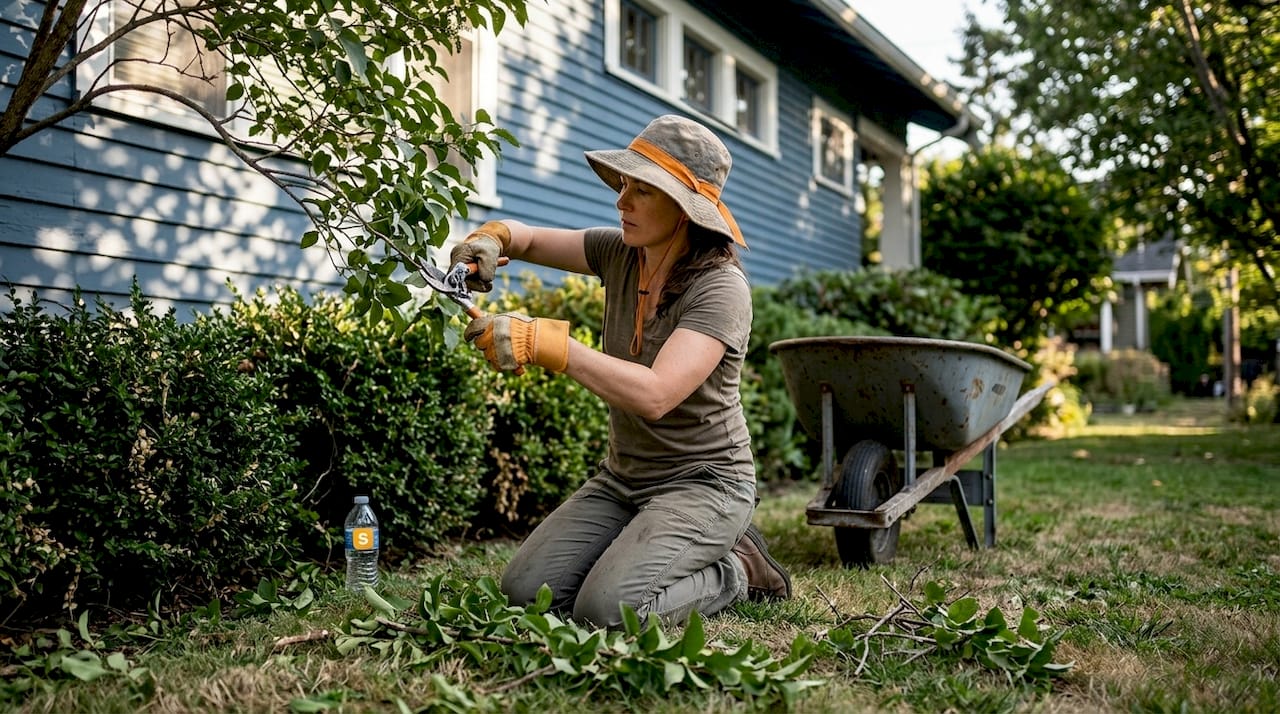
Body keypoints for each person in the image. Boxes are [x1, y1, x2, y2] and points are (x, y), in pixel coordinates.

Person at [449, 114, 791, 629]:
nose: (622, 200)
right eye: (624, 184)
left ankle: (738, 569)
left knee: (608, 611)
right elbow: (528, 239)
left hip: (705, 485)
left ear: (683, 208)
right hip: (623, 479)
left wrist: (546, 343)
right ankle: (646, 542)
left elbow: (656, 395)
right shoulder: (620, 253)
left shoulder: (721, 289)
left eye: (642, 190)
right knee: (524, 592)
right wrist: (492, 238)